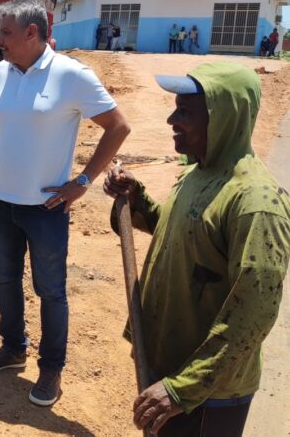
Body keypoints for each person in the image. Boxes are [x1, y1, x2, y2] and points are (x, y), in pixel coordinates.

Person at [104, 63, 290, 437]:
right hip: (170, 369)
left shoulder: (256, 201)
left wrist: (181, 389)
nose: (172, 119)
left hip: (208, 392)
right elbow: (179, 233)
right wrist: (137, 198)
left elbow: (253, 315)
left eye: (186, 112)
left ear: (223, 118)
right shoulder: (197, 173)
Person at [0, 0, 131, 407]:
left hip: (47, 208)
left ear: (31, 33)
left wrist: (83, 180)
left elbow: (118, 126)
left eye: (5, 32)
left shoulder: (71, 76)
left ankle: (51, 369)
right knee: (5, 280)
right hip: (0, 201)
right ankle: (12, 348)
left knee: (50, 291)